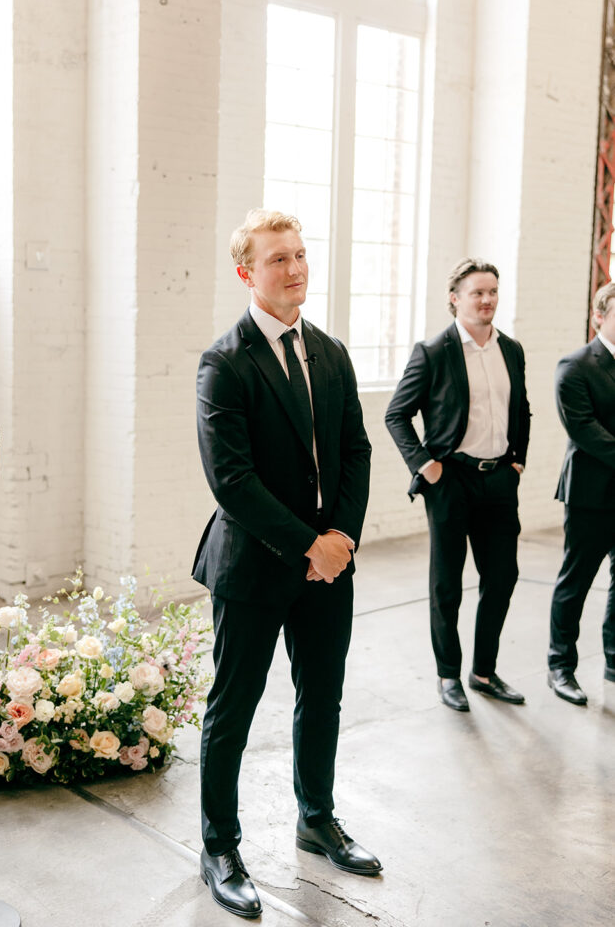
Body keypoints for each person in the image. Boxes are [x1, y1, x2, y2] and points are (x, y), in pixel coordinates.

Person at [193, 209, 380, 919]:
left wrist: (341, 541)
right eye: (278, 259)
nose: (295, 268)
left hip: (328, 566)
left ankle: (316, 816)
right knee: (233, 708)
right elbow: (231, 481)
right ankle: (218, 845)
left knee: (321, 696)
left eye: (300, 254)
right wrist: (309, 544)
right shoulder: (224, 361)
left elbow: (355, 451)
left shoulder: (329, 351)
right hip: (253, 565)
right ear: (246, 272)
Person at [385, 259, 530, 712]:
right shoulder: (433, 351)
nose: (487, 300)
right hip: (451, 480)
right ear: (455, 298)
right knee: (447, 585)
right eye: (477, 293)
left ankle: (483, 672)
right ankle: (448, 675)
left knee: (502, 577)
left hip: (500, 479)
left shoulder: (512, 349)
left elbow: (521, 409)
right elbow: (396, 414)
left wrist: (518, 463)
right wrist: (426, 466)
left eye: (492, 292)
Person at [547, 281, 615, 705]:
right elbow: (585, 431)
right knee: (576, 581)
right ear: (599, 316)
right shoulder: (575, 365)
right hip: (591, 494)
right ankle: (560, 667)